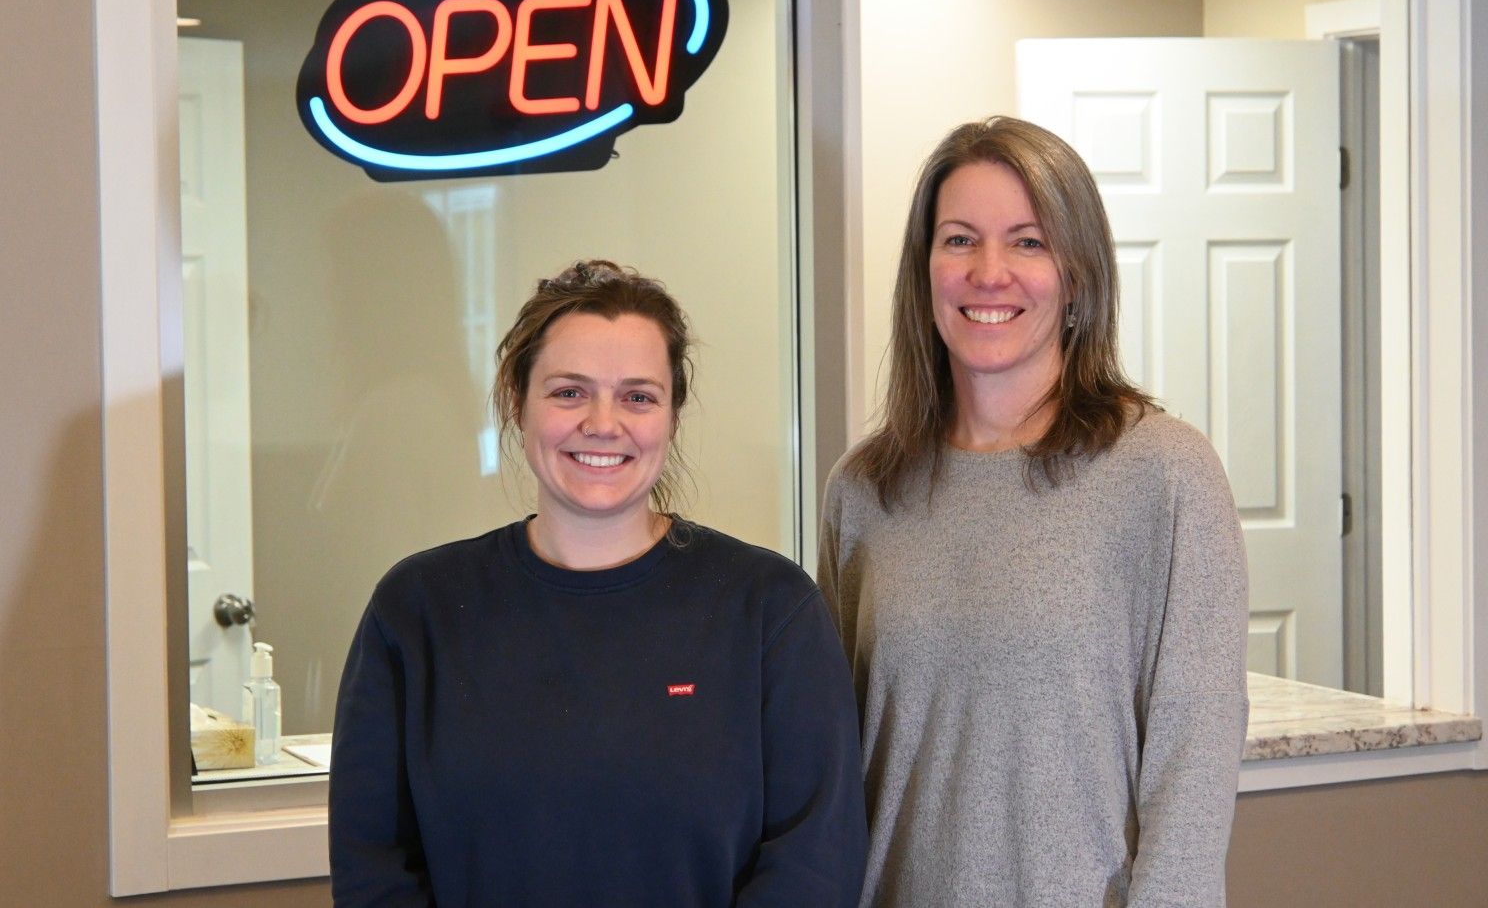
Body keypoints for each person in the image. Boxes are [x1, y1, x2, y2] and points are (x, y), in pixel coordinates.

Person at [330, 260, 867, 907]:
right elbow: (374, 871)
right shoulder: (417, 611)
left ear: (671, 416)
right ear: (515, 401)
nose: (604, 423)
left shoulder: (771, 611)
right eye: (569, 392)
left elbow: (815, 866)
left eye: (638, 395)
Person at [818, 118, 1249, 907]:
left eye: (1028, 241)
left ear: (1077, 275)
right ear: (924, 273)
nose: (990, 272)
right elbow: (838, 772)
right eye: (959, 240)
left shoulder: (1162, 473)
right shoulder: (863, 490)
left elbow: (1194, 763)